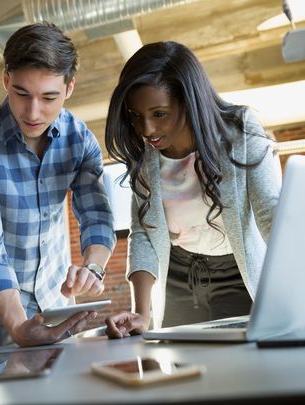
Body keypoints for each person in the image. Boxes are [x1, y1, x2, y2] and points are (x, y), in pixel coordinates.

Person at [0, 22, 116, 348]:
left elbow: (97, 217)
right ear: (5, 80)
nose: (33, 111)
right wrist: (18, 324)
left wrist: (93, 268)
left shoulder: (79, 139)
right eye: (21, 93)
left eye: (49, 97)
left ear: (69, 88)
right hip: (3, 305)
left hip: (59, 297)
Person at [103, 41, 281, 338]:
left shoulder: (240, 131)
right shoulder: (145, 156)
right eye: (135, 115)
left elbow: (271, 214)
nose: (146, 129)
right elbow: (144, 232)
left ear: (189, 101)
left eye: (159, 114)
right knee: (183, 371)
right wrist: (142, 313)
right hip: (178, 277)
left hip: (237, 274)